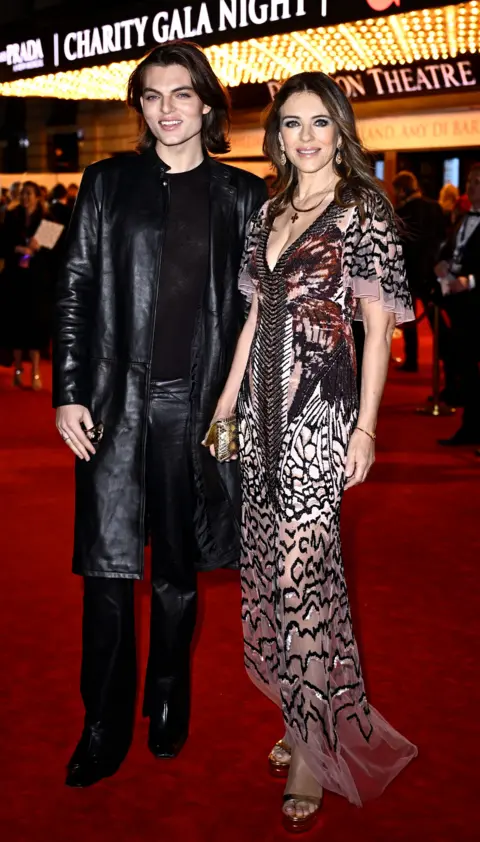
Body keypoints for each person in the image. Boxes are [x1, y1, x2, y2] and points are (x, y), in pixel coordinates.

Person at [53, 41, 267, 789]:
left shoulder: (242, 196)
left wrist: (242, 407)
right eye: (152, 96)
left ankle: (167, 693)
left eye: (182, 94)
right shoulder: (107, 183)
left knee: (177, 572)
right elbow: (76, 287)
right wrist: (69, 390)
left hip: (193, 412)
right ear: (139, 107)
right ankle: (103, 719)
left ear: (207, 104)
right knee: (107, 574)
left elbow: (255, 314)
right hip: (113, 408)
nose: (168, 109)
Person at [209, 72, 417, 832]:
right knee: (278, 572)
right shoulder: (269, 211)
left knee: (301, 576)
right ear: (277, 136)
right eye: (292, 124)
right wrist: (227, 402)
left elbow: (377, 331)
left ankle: (307, 745)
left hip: (317, 418)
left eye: (320, 123)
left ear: (341, 131)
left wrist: (365, 428)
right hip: (260, 418)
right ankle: (306, 713)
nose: (305, 137)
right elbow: (252, 316)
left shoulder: (363, 214)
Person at [436, 163, 480, 447]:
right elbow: (456, 251)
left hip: (476, 299)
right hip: (462, 308)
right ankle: (470, 428)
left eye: (477, 181)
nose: (471, 185)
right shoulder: (463, 218)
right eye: (469, 180)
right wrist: (444, 265)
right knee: (466, 368)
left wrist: (470, 280)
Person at [392, 171, 446, 374]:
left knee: (409, 318)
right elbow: (443, 238)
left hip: (408, 272)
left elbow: (399, 245)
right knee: (436, 320)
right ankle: (447, 360)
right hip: (432, 271)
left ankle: (411, 359)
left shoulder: (402, 211)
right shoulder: (435, 207)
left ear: (402, 189)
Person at [0, 181, 52, 389]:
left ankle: (36, 371)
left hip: (37, 281)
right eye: (23, 194)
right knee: (16, 326)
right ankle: (19, 369)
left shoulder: (47, 219)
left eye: (29, 193)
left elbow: (54, 253)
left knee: (35, 327)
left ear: (37, 196)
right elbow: (2, 245)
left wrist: (39, 248)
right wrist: (18, 248)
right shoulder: (12, 218)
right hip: (15, 279)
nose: (25, 197)